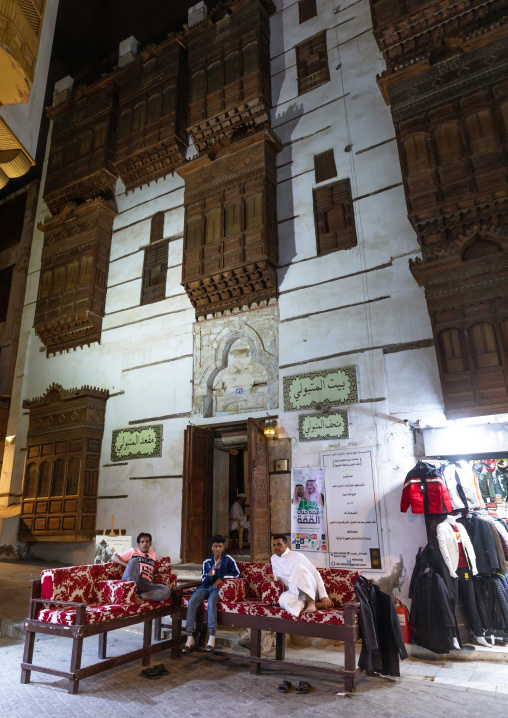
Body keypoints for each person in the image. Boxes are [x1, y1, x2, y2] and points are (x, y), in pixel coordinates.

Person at [182, 534, 240, 654]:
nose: (218, 549)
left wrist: (222, 578)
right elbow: (203, 580)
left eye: (220, 546)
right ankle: (190, 637)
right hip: (206, 587)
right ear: (212, 548)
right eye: (215, 546)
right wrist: (209, 575)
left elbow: (237, 574)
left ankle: (212, 636)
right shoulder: (207, 561)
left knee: (211, 601)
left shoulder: (228, 559)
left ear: (223, 548)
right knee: (192, 601)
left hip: (219, 588)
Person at [268, 534, 333, 617]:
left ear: (286, 545)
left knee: (298, 567)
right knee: (283, 599)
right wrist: (275, 577)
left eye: (279, 544)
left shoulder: (297, 556)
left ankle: (311, 602)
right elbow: (281, 577)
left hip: (311, 590)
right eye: (274, 545)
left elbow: (315, 573)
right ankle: (318, 605)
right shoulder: (273, 558)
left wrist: (324, 596)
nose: (276, 547)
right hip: (296, 592)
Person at [112, 531, 170, 602]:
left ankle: (140, 596)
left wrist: (158, 571)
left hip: (146, 584)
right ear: (138, 544)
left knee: (166, 590)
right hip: (133, 580)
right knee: (134, 560)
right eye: (142, 542)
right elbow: (114, 558)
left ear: (150, 544)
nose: (145, 544)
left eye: (147, 541)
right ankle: (132, 592)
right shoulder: (133, 551)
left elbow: (147, 570)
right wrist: (129, 566)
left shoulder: (153, 554)